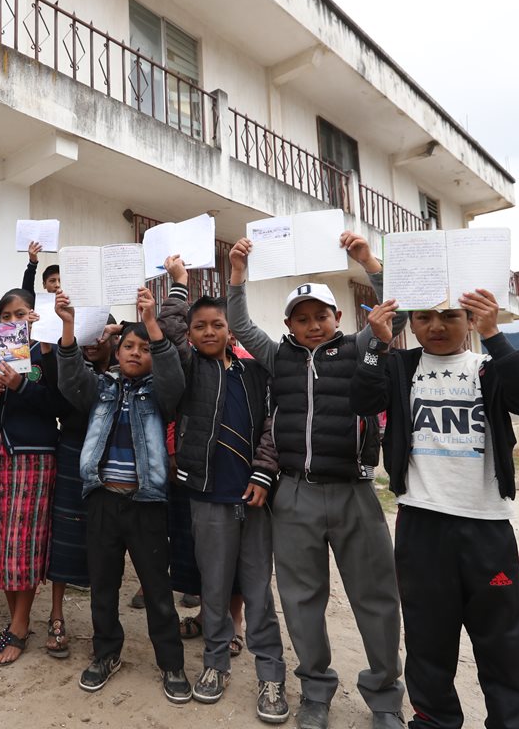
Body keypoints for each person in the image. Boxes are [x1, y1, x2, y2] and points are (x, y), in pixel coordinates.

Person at [228, 231, 407, 729]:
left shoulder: (358, 348)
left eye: (321, 316)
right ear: (288, 325)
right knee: (301, 599)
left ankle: (386, 699)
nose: (312, 325)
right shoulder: (277, 356)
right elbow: (239, 323)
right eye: (302, 318)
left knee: (375, 597)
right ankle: (315, 691)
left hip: (354, 492)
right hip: (295, 495)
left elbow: (398, 311)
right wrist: (238, 275)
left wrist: (368, 260)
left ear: (339, 319)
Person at [351, 291, 519, 729]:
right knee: (428, 637)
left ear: (469, 319)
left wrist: (494, 335)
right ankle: (433, 720)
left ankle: (514, 721)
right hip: (420, 520)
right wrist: (377, 343)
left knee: (504, 639)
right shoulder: (400, 366)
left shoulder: (490, 366)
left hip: (487, 524)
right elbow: (363, 401)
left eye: (449, 316)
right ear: (413, 323)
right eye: (424, 317)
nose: (436, 326)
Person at [159, 256, 289, 723]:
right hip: (207, 498)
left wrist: (263, 473)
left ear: (230, 329)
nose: (209, 331)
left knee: (259, 593)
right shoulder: (188, 368)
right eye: (200, 326)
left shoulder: (258, 374)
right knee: (213, 591)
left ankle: (271, 674)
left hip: (254, 500)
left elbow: (275, 426)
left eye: (217, 324)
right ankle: (215, 665)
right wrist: (179, 284)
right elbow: (170, 323)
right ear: (190, 335)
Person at [55, 286, 192, 704]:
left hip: (146, 504)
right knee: (103, 585)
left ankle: (171, 663)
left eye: (143, 348)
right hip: (102, 502)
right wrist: (68, 329)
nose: (135, 353)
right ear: (116, 351)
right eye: (128, 345)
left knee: (156, 588)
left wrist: (152, 323)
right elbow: (71, 380)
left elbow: (173, 377)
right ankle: (105, 654)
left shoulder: (162, 395)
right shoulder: (102, 388)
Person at [0, 288, 66, 666]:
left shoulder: (47, 351)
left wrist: (21, 385)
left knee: (24, 541)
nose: (16, 321)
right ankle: (17, 618)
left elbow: (59, 404)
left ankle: (19, 623)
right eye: (8, 315)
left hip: (34, 454)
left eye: (23, 314)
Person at [44, 321, 119, 659]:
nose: (92, 342)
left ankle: (102, 624)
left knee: (105, 541)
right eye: (85, 336)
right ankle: (56, 614)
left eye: (100, 335)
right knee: (64, 535)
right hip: (72, 450)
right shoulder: (73, 369)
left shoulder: (125, 373)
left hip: (111, 459)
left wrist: (120, 328)